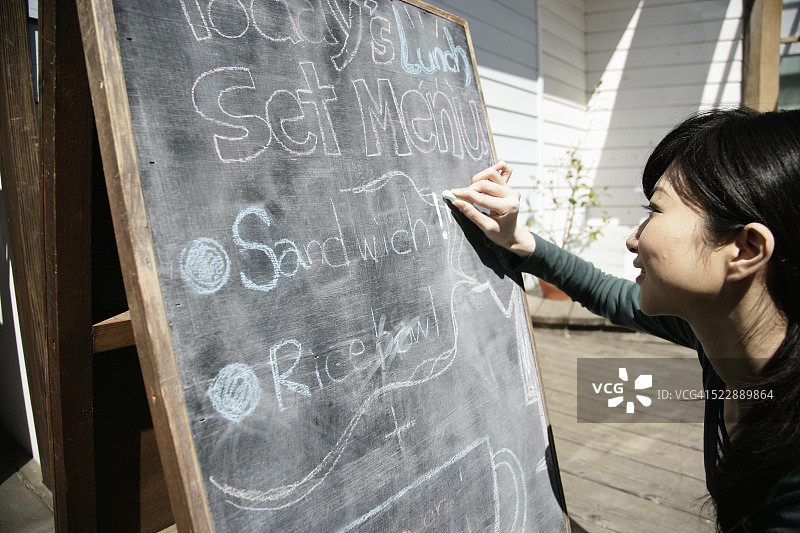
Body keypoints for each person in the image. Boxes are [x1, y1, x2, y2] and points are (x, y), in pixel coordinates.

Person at [447, 107, 800, 532]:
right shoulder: (728, 337)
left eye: (654, 210)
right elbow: (609, 294)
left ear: (745, 249)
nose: (633, 237)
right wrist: (517, 239)